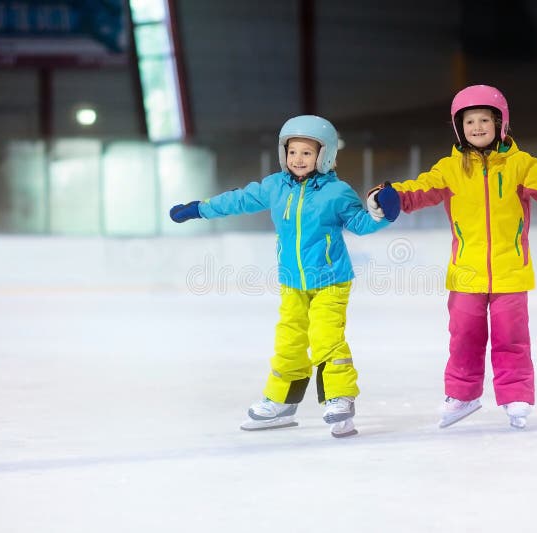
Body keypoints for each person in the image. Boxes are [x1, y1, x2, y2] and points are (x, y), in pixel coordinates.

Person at [367, 85, 537, 430]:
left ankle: (515, 396)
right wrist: (384, 195)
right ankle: (462, 395)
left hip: (510, 271)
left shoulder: (521, 166)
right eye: (470, 121)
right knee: (463, 335)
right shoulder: (449, 170)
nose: (477, 127)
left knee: (510, 337)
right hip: (466, 273)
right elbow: (417, 190)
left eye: (485, 119)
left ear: (500, 123)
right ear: (459, 127)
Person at [170, 115, 400, 438]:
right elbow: (238, 200)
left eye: (307, 153)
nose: (298, 159)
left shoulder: (337, 192)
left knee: (326, 338)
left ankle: (339, 397)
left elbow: (361, 224)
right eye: (292, 152)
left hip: (331, 281)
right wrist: (200, 208)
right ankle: (282, 402)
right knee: (288, 341)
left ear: (325, 155)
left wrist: (382, 213)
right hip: (292, 281)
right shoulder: (274, 186)